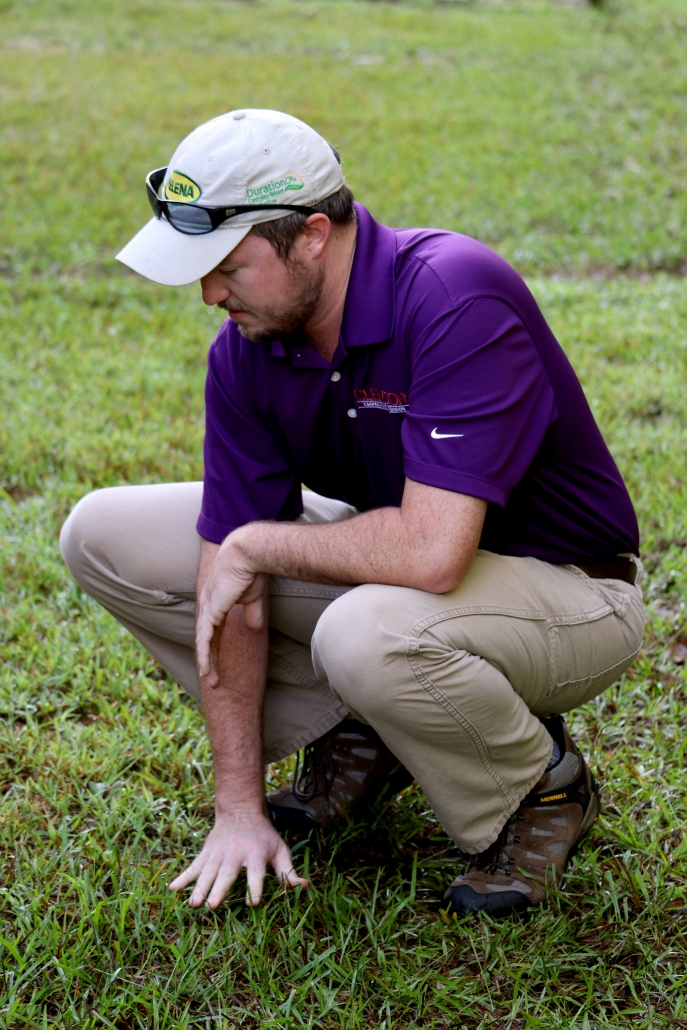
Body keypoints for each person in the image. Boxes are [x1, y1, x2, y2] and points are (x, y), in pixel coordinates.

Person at [60, 109, 644, 919]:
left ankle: (537, 788)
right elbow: (227, 589)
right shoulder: (247, 346)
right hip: (414, 574)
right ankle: (366, 729)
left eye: (226, 263)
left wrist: (257, 544)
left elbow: (433, 554)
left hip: (573, 593)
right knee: (99, 535)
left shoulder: (451, 293)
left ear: (308, 236)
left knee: (362, 629)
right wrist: (240, 808)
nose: (207, 293)